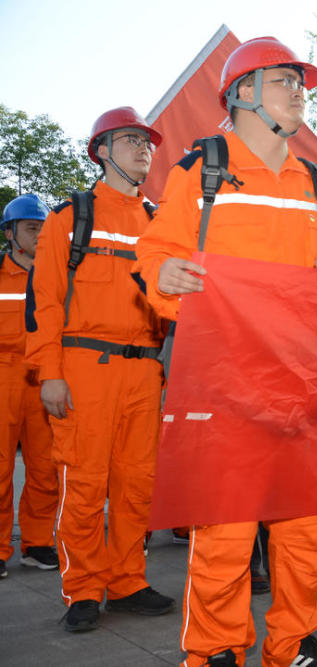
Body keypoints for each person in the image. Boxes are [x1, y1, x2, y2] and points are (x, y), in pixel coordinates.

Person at [133, 37, 317, 667]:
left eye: (299, 81)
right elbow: (156, 253)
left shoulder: (313, 181)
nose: (298, 91)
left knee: (307, 526)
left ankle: (293, 643)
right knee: (224, 529)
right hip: (223, 377)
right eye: (284, 80)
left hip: (300, 379)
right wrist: (164, 276)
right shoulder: (201, 167)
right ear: (243, 92)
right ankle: (216, 650)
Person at [25, 107, 173, 632]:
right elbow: (42, 303)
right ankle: (83, 587)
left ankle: (128, 578)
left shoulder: (160, 221)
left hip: (144, 372)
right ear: (102, 150)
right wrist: (50, 373)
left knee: (139, 484)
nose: (144, 149)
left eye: (148, 142)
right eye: (131, 140)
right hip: (82, 368)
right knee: (84, 483)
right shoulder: (71, 217)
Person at [0, 194, 58, 580]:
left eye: (43, 228)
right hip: (3, 378)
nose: (39, 235)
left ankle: (37, 543)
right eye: (31, 228)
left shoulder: (56, 275)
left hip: (44, 379)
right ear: (10, 232)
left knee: (46, 467)